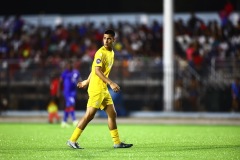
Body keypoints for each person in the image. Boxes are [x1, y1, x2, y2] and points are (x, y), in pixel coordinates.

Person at [66, 29, 133, 149]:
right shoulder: (100, 53)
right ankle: (72, 140)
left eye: (108, 38)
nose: (106, 41)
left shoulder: (111, 53)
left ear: (114, 40)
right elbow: (97, 70)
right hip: (97, 89)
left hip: (103, 89)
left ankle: (117, 142)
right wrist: (111, 83)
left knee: (112, 114)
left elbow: (94, 69)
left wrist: (86, 81)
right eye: (104, 38)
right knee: (89, 116)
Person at [58, 60, 81, 128]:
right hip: (67, 92)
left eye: (70, 65)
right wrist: (58, 91)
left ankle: (64, 122)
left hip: (73, 92)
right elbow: (60, 82)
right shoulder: (64, 73)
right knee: (71, 104)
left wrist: (82, 84)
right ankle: (74, 120)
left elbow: (79, 80)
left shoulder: (76, 72)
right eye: (67, 65)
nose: (69, 66)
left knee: (69, 105)